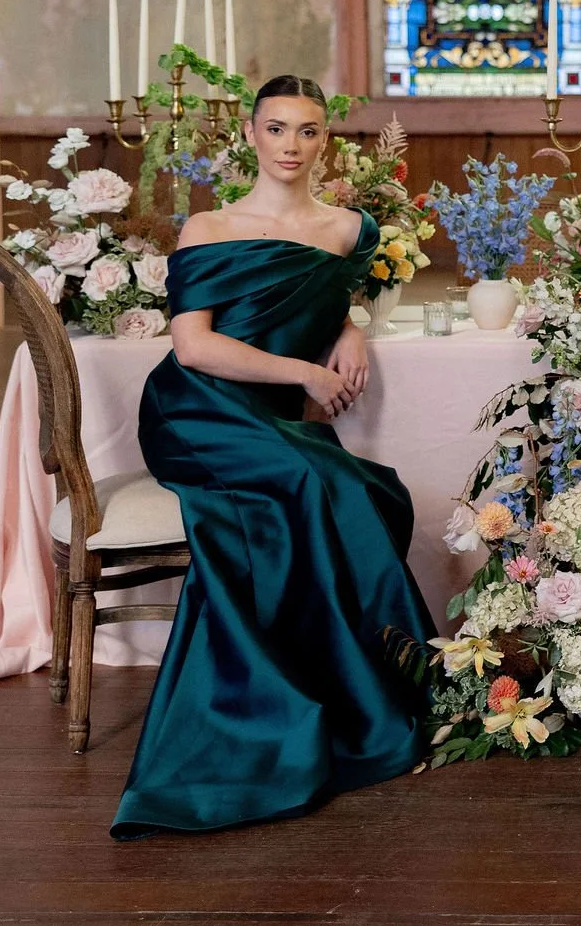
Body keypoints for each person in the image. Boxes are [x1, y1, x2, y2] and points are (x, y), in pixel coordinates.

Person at [111, 75, 434, 839]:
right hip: (194, 411)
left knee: (365, 489)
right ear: (251, 135)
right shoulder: (210, 226)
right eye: (278, 128)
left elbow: (338, 294)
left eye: (308, 130)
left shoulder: (351, 229)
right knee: (309, 476)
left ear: (327, 140)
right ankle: (267, 717)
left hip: (268, 420)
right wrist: (306, 372)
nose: (292, 145)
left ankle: (368, 687)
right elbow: (192, 345)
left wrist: (350, 324)